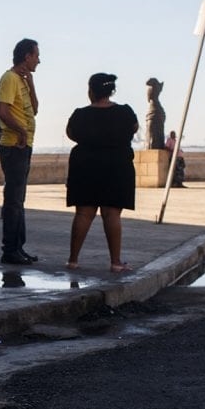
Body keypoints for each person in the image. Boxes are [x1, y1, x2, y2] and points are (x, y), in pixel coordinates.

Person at [64, 73, 137, 272]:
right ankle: (115, 262)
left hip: (85, 166)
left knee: (83, 214)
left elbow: (70, 133)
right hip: (117, 166)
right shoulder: (125, 112)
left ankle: (73, 259)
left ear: (91, 91)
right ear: (111, 91)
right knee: (112, 214)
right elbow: (134, 128)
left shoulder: (80, 114)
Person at [0, 38, 40, 265]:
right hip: (14, 146)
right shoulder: (9, 79)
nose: (39, 60)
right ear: (27, 56)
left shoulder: (22, 80)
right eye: (36, 55)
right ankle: (9, 250)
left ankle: (18, 248)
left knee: (19, 199)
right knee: (13, 199)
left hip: (24, 146)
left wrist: (31, 83)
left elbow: (35, 108)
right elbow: (2, 111)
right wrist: (21, 131)